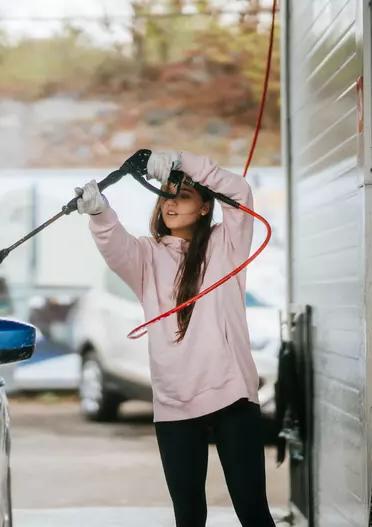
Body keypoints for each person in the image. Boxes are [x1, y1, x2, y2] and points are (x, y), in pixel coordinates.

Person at [74, 150, 276, 527]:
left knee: (253, 513)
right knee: (189, 518)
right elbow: (113, 244)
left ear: (204, 207)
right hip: (175, 402)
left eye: (183, 196)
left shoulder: (226, 246)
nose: (171, 203)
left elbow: (240, 191)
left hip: (231, 394)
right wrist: (100, 212)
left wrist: (182, 162)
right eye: (166, 194)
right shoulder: (146, 257)